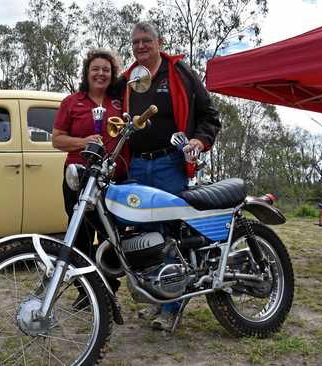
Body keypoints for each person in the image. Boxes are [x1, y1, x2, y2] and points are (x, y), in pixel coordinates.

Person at [121, 22, 221, 330]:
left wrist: (198, 141)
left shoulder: (180, 73)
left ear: (159, 42)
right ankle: (158, 298)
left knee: (169, 235)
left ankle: (173, 305)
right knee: (143, 235)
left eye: (146, 40)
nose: (141, 46)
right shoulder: (128, 79)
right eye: (136, 41)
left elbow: (209, 115)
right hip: (137, 166)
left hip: (169, 165)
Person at [52, 48, 124, 307]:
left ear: (112, 74)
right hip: (78, 176)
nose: (101, 74)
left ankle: (108, 289)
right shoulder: (72, 102)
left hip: (113, 177)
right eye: (95, 69)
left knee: (111, 234)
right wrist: (83, 142)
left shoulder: (120, 102)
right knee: (80, 234)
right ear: (86, 72)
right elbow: (56, 139)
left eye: (106, 69)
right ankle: (85, 291)